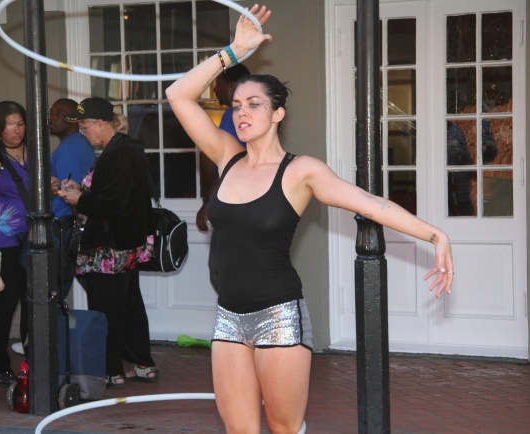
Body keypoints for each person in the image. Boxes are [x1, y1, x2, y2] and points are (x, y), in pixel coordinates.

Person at [166, 6, 454, 433]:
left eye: (254, 105)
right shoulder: (226, 156)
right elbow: (178, 95)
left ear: (277, 114)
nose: (242, 113)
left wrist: (435, 234)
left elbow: (371, 204)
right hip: (228, 316)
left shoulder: (300, 172)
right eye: (237, 105)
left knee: (284, 427)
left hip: (279, 315)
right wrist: (232, 52)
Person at [58, 98, 159, 388]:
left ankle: (112, 370)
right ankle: (142, 363)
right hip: (122, 243)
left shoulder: (119, 153)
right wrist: (81, 189)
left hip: (111, 246)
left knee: (107, 308)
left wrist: (80, 199)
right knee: (128, 304)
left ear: (101, 124)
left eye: (85, 126)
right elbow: (113, 193)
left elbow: (113, 204)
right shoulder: (120, 150)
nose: (83, 132)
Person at [0, 101, 29, 388]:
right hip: (3, 240)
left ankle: (34, 362)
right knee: (6, 302)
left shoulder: (34, 153)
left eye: (20, 124)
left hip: (32, 238)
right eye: (10, 125)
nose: (16, 130)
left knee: (33, 301)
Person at [196, 64, 250, 292]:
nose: (215, 90)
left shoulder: (234, 115)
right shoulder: (241, 114)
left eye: (217, 84)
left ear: (232, 85)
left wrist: (208, 202)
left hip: (234, 203)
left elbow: (228, 164)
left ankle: (239, 313)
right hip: (243, 202)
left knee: (222, 271)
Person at [49, 98, 96, 218]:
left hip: (66, 221)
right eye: (51, 113)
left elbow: (70, 193)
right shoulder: (82, 141)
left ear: (75, 121)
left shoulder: (67, 149)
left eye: (60, 114)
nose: (52, 117)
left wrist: (74, 224)